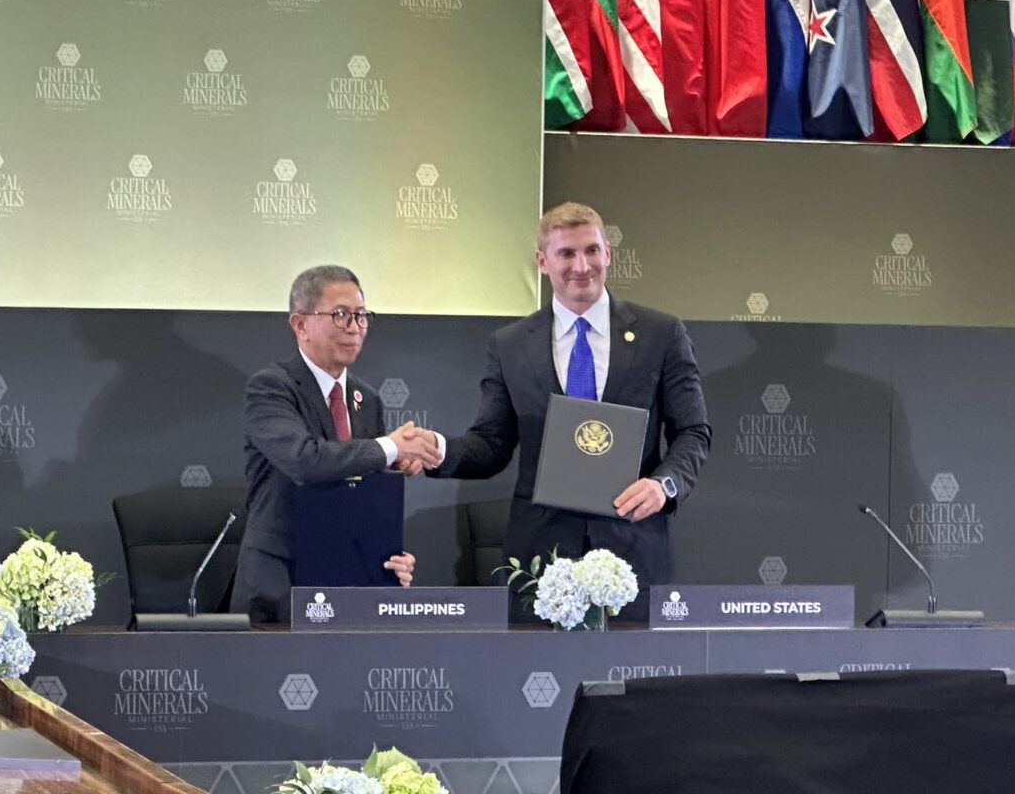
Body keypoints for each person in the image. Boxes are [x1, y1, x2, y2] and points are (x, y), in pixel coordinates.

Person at [422, 202, 712, 619]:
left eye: (592, 250)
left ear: (608, 253)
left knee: (634, 683)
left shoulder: (661, 334)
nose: (583, 265)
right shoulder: (509, 345)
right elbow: (492, 444)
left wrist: (663, 485)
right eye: (567, 254)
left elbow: (693, 431)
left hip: (633, 549)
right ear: (542, 261)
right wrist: (438, 449)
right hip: (541, 558)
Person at [231, 265, 441, 623]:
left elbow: (362, 492)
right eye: (341, 315)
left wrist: (390, 555)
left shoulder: (366, 398)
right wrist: (390, 448)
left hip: (348, 576)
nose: (355, 327)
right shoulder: (271, 387)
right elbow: (305, 461)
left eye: (361, 316)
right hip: (281, 579)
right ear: (300, 324)